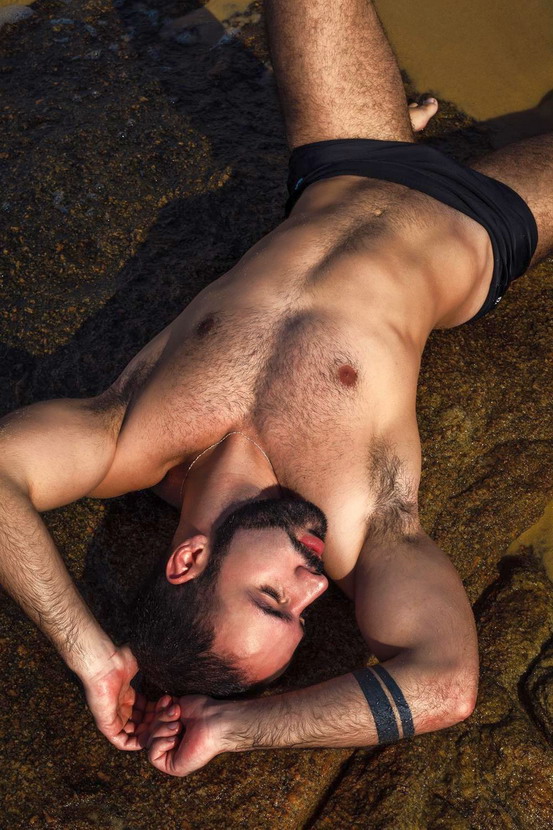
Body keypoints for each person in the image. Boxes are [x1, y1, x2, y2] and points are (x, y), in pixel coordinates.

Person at [0, 0, 550, 777]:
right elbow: (444, 686)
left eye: (272, 598)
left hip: (343, 159)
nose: (312, 587)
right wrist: (235, 729)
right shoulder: (362, 524)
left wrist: (91, 655)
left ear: (189, 559)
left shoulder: (127, 438)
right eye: (302, 613)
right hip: (480, 227)